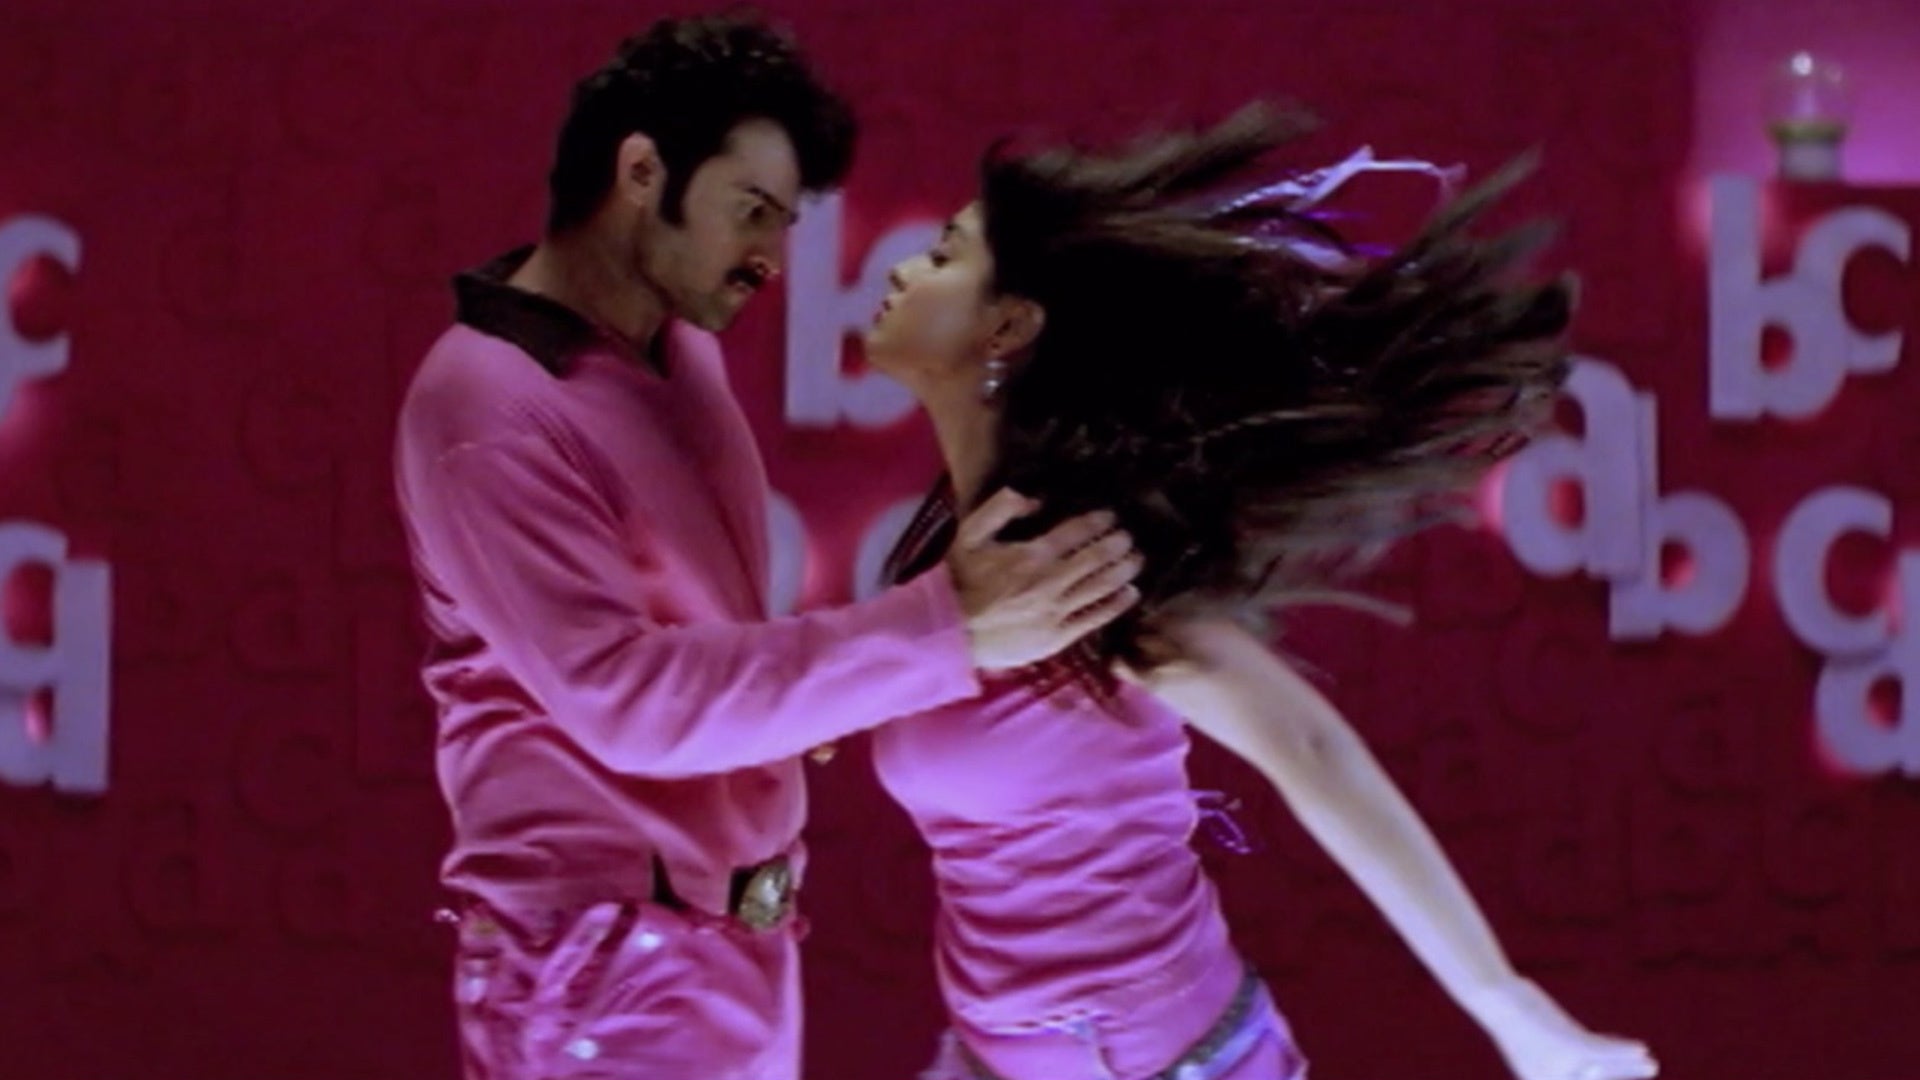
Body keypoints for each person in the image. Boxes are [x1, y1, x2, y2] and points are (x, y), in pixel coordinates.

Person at [391, 14, 1140, 1080]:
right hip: (601, 975)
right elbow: (627, 702)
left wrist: (812, 696)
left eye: (787, 224)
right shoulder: (487, 405)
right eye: (751, 211)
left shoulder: (674, 348)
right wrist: (946, 627)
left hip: (732, 950)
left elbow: (694, 640)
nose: (772, 260)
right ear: (641, 172)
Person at [861, 104, 1659, 1080]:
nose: (901, 269)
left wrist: (1512, 1009)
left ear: (1009, 324)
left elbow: (1312, 748)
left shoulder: (1086, 564)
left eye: (942, 256)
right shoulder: (956, 549)